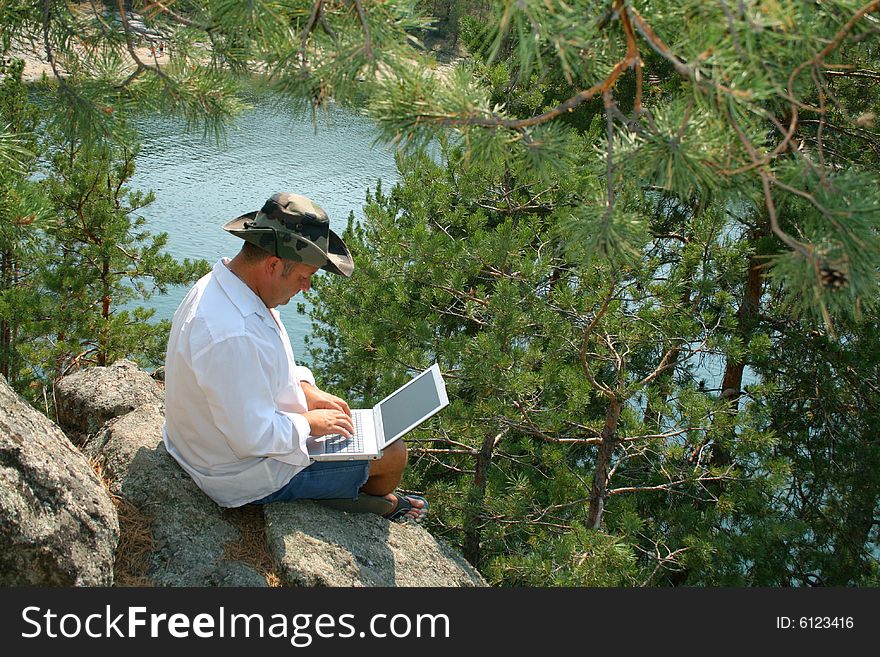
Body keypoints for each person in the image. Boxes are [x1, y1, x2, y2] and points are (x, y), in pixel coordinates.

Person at [162, 192, 427, 522]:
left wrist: (306, 390)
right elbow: (251, 439)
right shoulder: (233, 332)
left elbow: (264, 370)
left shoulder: (228, 290)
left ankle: (346, 489)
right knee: (392, 455)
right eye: (305, 276)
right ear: (273, 265)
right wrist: (310, 424)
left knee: (359, 435)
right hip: (241, 475)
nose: (307, 288)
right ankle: (368, 503)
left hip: (213, 449)